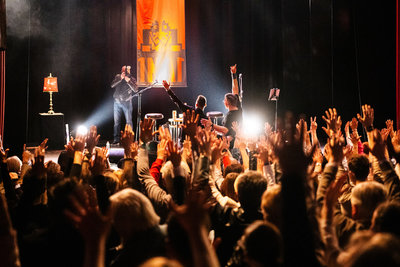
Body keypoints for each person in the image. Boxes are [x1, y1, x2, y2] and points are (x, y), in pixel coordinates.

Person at [201, 64, 242, 150]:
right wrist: (233, 75)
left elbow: (225, 130)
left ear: (227, 104)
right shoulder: (238, 106)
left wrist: (212, 125)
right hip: (236, 141)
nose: (223, 101)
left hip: (230, 144)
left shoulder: (230, 115)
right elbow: (235, 89)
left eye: (224, 100)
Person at [111, 65, 138, 144]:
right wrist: (120, 79)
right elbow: (112, 85)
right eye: (122, 71)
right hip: (117, 102)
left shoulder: (132, 79)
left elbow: (136, 89)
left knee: (128, 121)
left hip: (127, 102)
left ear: (128, 72)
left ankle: (130, 139)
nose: (123, 73)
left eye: (125, 71)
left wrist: (128, 81)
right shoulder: (118, 77)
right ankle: (116, 139)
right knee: (116, 122)